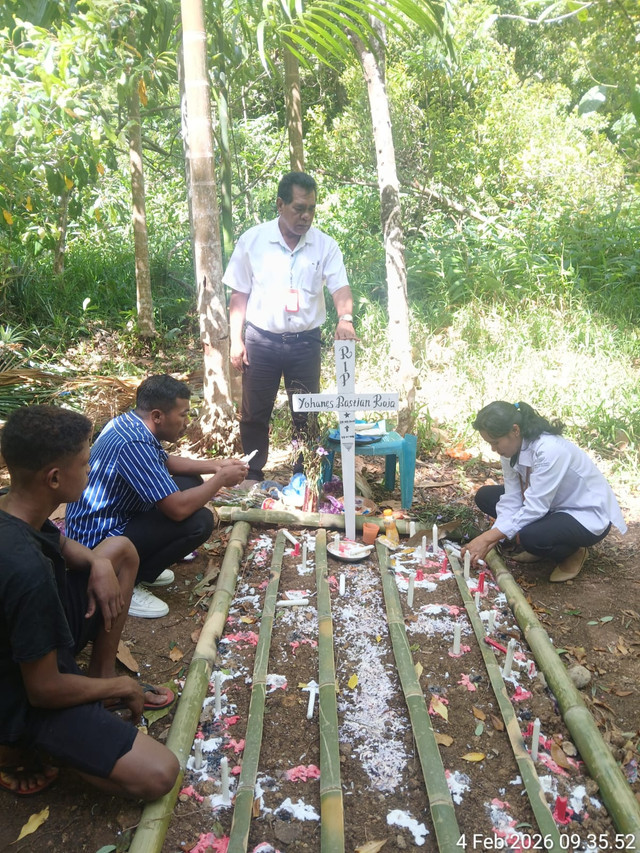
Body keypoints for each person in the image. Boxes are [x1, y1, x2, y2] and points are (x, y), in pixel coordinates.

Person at [0, 405, 179, 798]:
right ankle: (17, 745)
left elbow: (61, 543)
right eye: (85, 463)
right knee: (158, 774)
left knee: (120, 551)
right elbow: (43, 689)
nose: (91, 469)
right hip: (23, 692)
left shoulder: (15, 509)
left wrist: (98, 562)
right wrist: (122, 686)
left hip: (29, 641)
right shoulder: (27, 570)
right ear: (54, 478)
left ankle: (97, 679)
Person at [65, 375, 248, 618]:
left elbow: (166, 461)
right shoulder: (134, 443)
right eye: (183, 415)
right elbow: (178, 510)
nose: (187, 422)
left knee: (189, 482)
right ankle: (128, 581)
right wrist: (221, 479)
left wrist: (216, 465)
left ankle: (139, 564)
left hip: (115, 517)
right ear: (158, 416)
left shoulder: (130, 423)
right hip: (98, 541)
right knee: (199, 521)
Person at [224, 171, 357, 484]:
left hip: (305, 343)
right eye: (299, 208)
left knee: (306, 411)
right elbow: (239, 294)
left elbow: (340, 287)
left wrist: (345, 318)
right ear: (280, 204)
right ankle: (252, 474)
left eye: (311, 208)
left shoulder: (324, 245)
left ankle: (303, 475)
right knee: (255, 412)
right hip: (261, 341)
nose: (306, 216)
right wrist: (235, 340)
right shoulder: (253, 241)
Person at [461, 401, 627, 582]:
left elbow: (535, 508)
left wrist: (487, 539)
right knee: (486, 496)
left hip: (584, 513)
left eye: (495, 442)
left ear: (515, 430)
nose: (494, 449)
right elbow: (512, 497)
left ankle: (573, 552)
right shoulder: (510, 450)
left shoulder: (550, 450)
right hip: (550, 504)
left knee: (531, 537)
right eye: (490, 444)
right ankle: (544, 542)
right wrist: (492, 540)